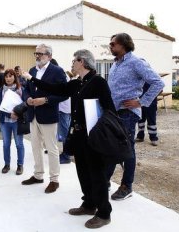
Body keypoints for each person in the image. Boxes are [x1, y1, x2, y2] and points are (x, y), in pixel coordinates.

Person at [22, 49, 115, 229]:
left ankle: (104, 213)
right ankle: (88, 204)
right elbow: (55, 88)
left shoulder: (98, 82)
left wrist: (103, 133)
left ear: (82, 61)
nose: (72, 63)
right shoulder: (75, 83)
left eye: (74, 60)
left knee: (97, 174)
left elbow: (109, 109)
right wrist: (31, 79)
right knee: (83, 172)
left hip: (93, 136)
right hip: (78, 135)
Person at [107, 33, 164, 200]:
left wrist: (141, 102)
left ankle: (127, 186)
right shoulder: (115, 64)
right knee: (110, 146)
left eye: (113, 44)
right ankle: (105, 180)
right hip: (114, 112)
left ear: (123, 45)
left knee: (126, 149)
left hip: (128, 114)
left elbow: (158, 82)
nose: (110, 46)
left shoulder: (136, 62)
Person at [21, 44, 67, 194]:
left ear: (49, 56)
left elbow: (63, 94)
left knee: (51, 148)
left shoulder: (57, 71)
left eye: (41, 53)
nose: (37, 56)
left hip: (48, 116)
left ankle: (54, 180)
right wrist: (27, 99)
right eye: (36, 53)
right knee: (35, 146)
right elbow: (26, 90)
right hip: (33, 115)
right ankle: (38, 175)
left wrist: (45, 100)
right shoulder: (33, 70)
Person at [0, 69, 26, 175]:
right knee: (6, 144)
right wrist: (9, 115)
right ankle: (7, 164)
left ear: (15, 77)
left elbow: (25, 103)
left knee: (19, 144)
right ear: (4, 78)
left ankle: (20, 165)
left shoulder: (20, 89)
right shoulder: (1, 90)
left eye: (11, 76)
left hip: (17, 121)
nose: (8, 78)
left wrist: (17, 114)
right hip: (5, 121)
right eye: (6, 76)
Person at [58, 71, 73, 164]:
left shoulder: (61, 76)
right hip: (64, 108)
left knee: (65, 133)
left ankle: (66, 155)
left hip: (63, 109)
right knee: (64, 132)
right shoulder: (64, 75)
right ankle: (66, 153)